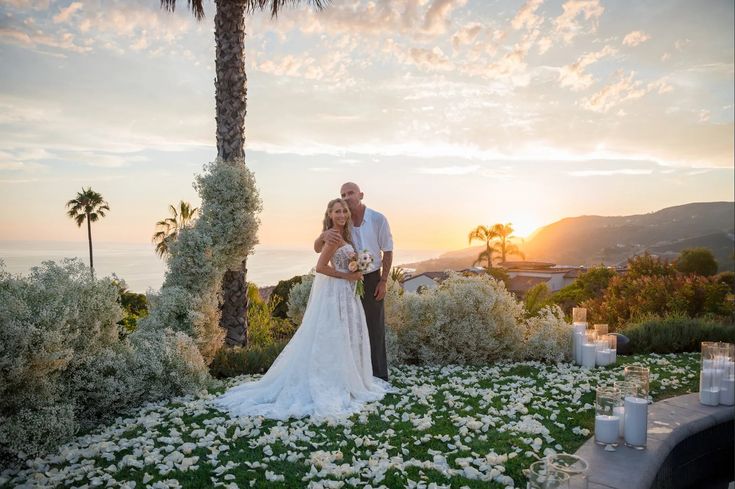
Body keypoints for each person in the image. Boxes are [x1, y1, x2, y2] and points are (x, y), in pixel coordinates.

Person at [215, 199, 390, 420]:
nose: (342, 214)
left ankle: (344, 378)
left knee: (342, 336)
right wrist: (349, 275)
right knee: (332, 335)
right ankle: (330, 381)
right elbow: (320, 267)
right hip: (336, 292)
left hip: (346, 293)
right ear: (329, 214)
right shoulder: (333, 236)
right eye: (337, 211)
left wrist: (357, 267)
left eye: (344, 211)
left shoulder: (343, 236)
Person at [314, 182, 393, 381]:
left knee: (374, 327)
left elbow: (388, 250)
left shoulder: (377, 219)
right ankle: (357, 374)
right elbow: (318, 250)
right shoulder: (341, 223)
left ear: (361, 195)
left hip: (372, 278)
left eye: (351, 193)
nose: (347, 196)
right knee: (351, 328)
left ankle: (379, 375)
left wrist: (383, 280)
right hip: (346, 282)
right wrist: (322, 235)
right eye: (343, 194)